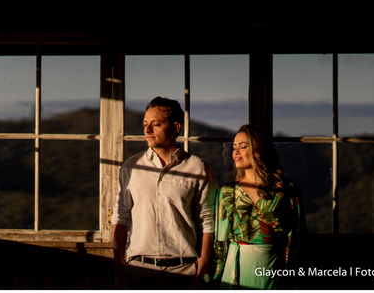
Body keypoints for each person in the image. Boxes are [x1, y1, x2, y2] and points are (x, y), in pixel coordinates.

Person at [112, 97, 216, 289]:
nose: (147, 130)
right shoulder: (131, 167)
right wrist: (119, 263)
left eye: (156, 124)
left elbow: (206, 219)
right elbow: (120, 216)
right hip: (138, 271)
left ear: (175, 128)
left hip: (183, 271)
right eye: (145, 124)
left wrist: (203, 264)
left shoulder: (198, 169)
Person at [213, 124, 305, 289]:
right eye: (234, 147)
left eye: (243, 147)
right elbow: (220, 243)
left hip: (274, 269)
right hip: (237, 269)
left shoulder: (287, 189)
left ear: (259, 149)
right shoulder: (228, 192)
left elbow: (297, 237)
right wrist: (215, 279)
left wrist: (295, 277)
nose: (236, 152)